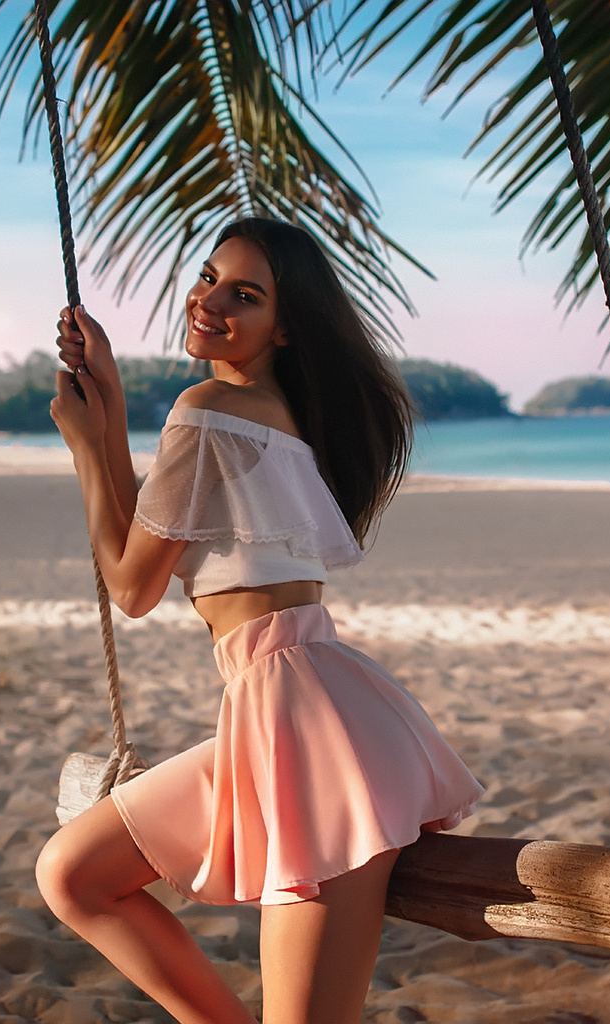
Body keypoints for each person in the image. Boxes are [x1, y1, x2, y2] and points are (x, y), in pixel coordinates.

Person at [38, 218, 483, 1024]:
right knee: (73, 873)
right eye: (208, 277)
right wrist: (105, 408)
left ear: (285, 326)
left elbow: (132, 586)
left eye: (243, 294)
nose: (208, 301)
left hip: (303, 723)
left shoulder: (209, 407)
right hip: (286, 707)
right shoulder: (264, 415)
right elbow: (153, 528)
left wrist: (83, 443)